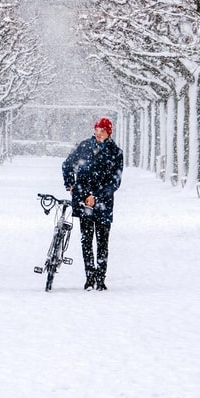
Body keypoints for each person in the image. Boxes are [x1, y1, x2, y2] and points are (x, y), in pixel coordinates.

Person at [62, 117, 124, 291]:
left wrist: (96, 196)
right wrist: (70, 184)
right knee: (86, 241)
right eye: (96, 130)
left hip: (103, 203)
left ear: (108, 132)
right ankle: (89, 277)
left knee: (102, 242)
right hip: (83, 201)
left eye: (102, 131)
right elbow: (67, 165)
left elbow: (114, 181)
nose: (98, 133)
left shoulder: (115, 153)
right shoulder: (84, 147)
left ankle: (100, 278)